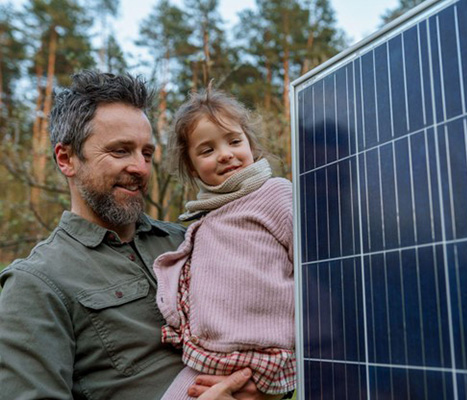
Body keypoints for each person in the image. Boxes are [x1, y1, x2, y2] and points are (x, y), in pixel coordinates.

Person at [0, 70, 275, 400]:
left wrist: (266, 388)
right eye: (120, 151)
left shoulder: (193, 239)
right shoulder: (37, 283)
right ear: (66, 158)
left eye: (146, 153)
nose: (141, 168)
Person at [153, 87, 296, 399]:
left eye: (234, 141)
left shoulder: (274, 193)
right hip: (209, 359)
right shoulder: (206, 218)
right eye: (207, 150)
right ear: (192, 167)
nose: (226, 153)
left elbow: (314, 267)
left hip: (260, 356)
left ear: (250, 144)